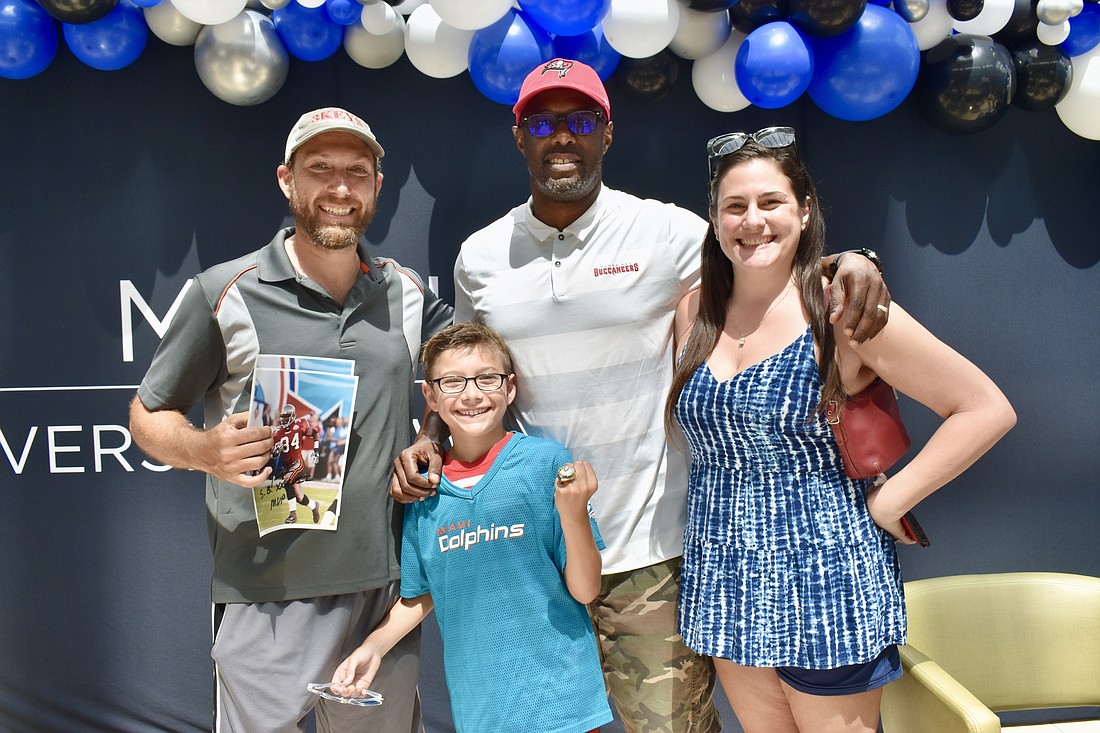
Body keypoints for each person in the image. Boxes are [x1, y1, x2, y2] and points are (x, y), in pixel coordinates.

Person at [392, 58, 891, 733]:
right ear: (519, 137)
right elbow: (470, 370)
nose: (561, 136)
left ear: (607, 133)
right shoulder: (480, 256)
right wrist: (432, 434)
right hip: (537, 552)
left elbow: (764, 260)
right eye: (542, 121)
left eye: (581, 120)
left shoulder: (669, 233)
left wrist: (849, 262)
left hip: (649, 547)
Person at [665, 127, 1016, 733]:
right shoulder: (693, 311)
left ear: (804, 211)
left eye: (771, 203)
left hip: (826, 583)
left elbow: (984, 407)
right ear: (715, 219)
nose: (754, 221)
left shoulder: (843, 309)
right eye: (735, 206)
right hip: (724, 583)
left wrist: (892, 501)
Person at [128, 107, 453, 733]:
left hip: (383, 592)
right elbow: (147, 414)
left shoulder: (407, 291)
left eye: (357, 172)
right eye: (320, 169)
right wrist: (205, 450)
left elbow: (467, 380)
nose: (339, 188)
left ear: (378, 187)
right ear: (287, 181)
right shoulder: (225, 291)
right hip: (266, 591)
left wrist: (430, 439)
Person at [332, 321, 613, 733]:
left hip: (562, 702)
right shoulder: (425, 491)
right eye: (452, 382)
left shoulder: (545, 463)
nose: (472, 394)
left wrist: (573, 512)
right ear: (429, 395)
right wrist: (372, 649)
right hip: (481, 711)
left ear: (510, 387)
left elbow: (586, 589)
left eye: (487, 378)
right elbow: (422, 594)